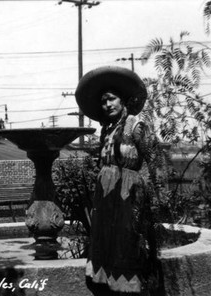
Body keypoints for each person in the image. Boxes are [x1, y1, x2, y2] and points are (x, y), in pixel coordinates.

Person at [75, 66, 162, 295]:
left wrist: (155, 198)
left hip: (128, 192)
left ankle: (129, 287)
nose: (108, 105)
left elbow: (154, 160)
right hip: (106, 193)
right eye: (104, 101)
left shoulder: (136, 125)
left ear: (123, 101)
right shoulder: (107, 129)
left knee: (126, 240)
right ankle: (106, 284)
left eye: (112, 99)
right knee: (105, 239)